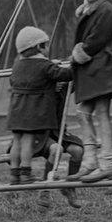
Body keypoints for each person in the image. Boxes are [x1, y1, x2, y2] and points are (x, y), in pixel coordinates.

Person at [68, 0, 112, 183]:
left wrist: (77, 54)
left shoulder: (106, 10)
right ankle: (90, 161)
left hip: (102, 67)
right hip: (91, 70)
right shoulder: (87, 10)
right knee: (82, 114)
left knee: (101, 113)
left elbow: (97, 40)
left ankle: (107, 163)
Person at [7, 26, 75, 186]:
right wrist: (74, 63)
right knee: (28, 141)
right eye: (44, 45)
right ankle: (25, 173)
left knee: (17, 141)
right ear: (37, 47)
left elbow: (13, 81)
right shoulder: (44, 65)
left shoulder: (17, 65)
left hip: (16, 111)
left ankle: (14, 175)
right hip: (32, 113)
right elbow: (65, 74)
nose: (46, 49)